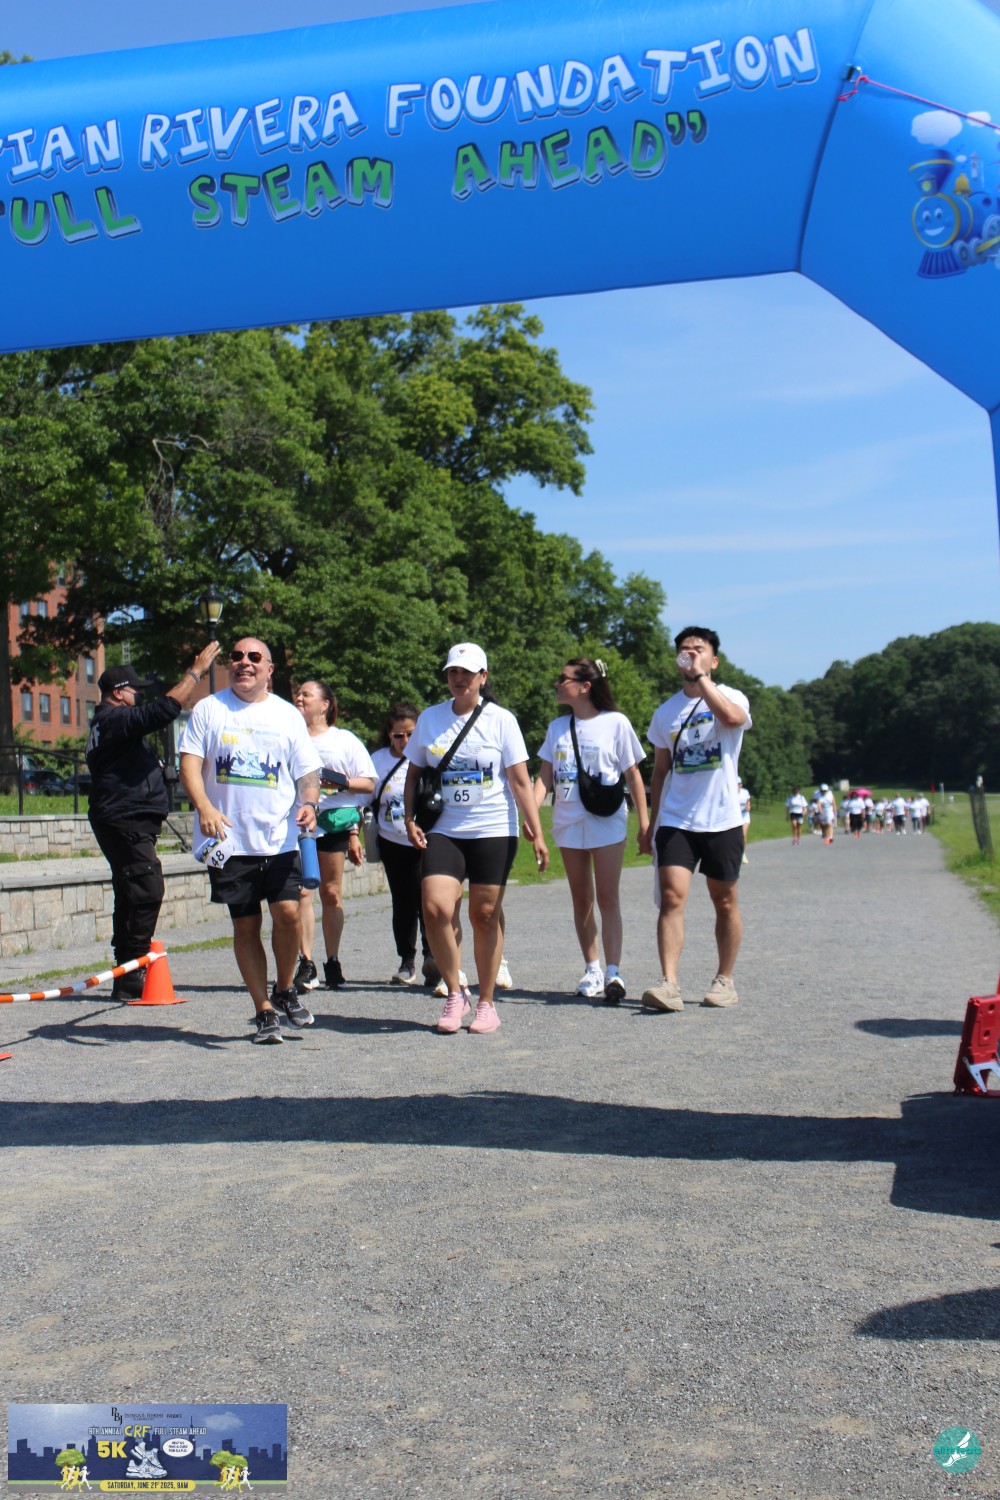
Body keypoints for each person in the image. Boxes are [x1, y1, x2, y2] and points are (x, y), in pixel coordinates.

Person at [179, 637, 322, 1043]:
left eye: (254, 657)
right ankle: (263, 1010)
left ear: (269, 669)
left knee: (288, 914)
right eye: (237, 656)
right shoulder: (210, 709)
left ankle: (284, 988)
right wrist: (204, 807)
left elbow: (307, 773)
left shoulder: (286, 715)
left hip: (279, 838)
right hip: (228, 841)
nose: (244, 662)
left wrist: (310, 803)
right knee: (246, 925)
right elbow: (189, 764)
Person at [403, 642, 548, 1035]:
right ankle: (456, 992)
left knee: (484, 915)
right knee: (435, 908)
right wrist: (409, 818)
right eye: (453, 671)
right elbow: (413, 774)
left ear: (483, 677)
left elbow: (520, 780)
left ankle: (487, 1002)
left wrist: (536, 831)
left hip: (493, 828)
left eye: (467, 673)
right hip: (444, 828)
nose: (459, 679)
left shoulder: (502, 720)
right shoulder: (431, 718)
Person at [87, 643, 221, 1000]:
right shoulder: (112, 719)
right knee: (147, 888)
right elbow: (164, 709)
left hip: (123, 816)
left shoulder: (108, 727)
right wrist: (195, 672)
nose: (139, 696)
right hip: (124, 817)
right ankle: (134, 969)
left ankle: (126, 972)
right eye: (135, 690)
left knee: (131, 890)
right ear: (118, 693)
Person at [638, 627, 751, 1012]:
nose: (690, 654)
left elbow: (732, 719)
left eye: (698, 649)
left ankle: (724, 980)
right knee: (671, 896)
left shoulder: (731, 697)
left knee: (724, 899)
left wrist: (702, 680)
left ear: (713, 660)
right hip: (677, 818)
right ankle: (668, 983)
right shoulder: (665, 712)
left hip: (722, 817)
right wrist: (650, 824)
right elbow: (660, 771)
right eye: (684, 649)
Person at [534, 657, 648, 1004]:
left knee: (608, 896)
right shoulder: (557, 727)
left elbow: (633, 775)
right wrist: (532, 816)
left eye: (563, 679)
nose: (557, 684)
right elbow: (544, 778)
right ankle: (592, 969)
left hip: (606, 819)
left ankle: (614, 971)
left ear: (585, 686)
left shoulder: (615, 722)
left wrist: (645, 822)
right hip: (568, 821)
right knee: (581, 898)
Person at [292, 680, 376, 990]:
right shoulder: (290, 735)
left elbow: (369, 783)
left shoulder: (344, 740)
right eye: (298, 693)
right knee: (302, 892)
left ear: (325, 705)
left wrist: (340, 783)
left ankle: (333, 960)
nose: (299, 698)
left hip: (333, 821)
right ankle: (306, 963)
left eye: (307, 694)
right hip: (300, 823)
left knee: (330, 893)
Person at [369, 701, 433, 986]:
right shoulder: (378, 760)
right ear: (389, 734)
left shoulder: (429, 757)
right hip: (391, 841)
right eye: (398, 736)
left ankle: (434, 958)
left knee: (428, 901)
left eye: (410, 734)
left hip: (424, 841)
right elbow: (367, 796)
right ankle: (407, 961)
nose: (405, 741)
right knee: (402, 902)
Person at [737, 778, 751, 864]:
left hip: (744, 815)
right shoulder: (731, 794)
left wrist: (748, 806)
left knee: (743, 835)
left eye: (740, 784)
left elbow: (748, 801)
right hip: (735, 816)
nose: (740, 785)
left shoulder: (745, 792)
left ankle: (742, 853)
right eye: (738, 784)